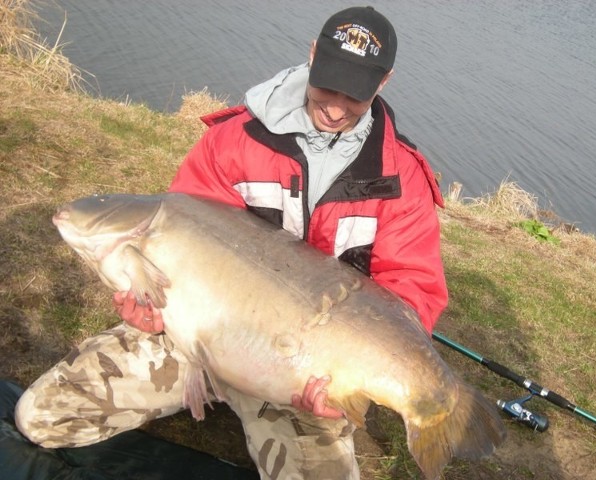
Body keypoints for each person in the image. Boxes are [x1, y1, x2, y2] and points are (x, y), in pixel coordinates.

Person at [15, 6, 447, 480]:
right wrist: (148, 310)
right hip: (197, 336)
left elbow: (412, 287)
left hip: (302, 363)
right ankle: (212, 384)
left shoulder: (400, 177)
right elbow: (181, 234)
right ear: (311, 56)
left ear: (383, 83)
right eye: (329, 84)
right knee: (40, 417)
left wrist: (345, 378)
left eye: (356, 93)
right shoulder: (235, 139)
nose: (337, 105)